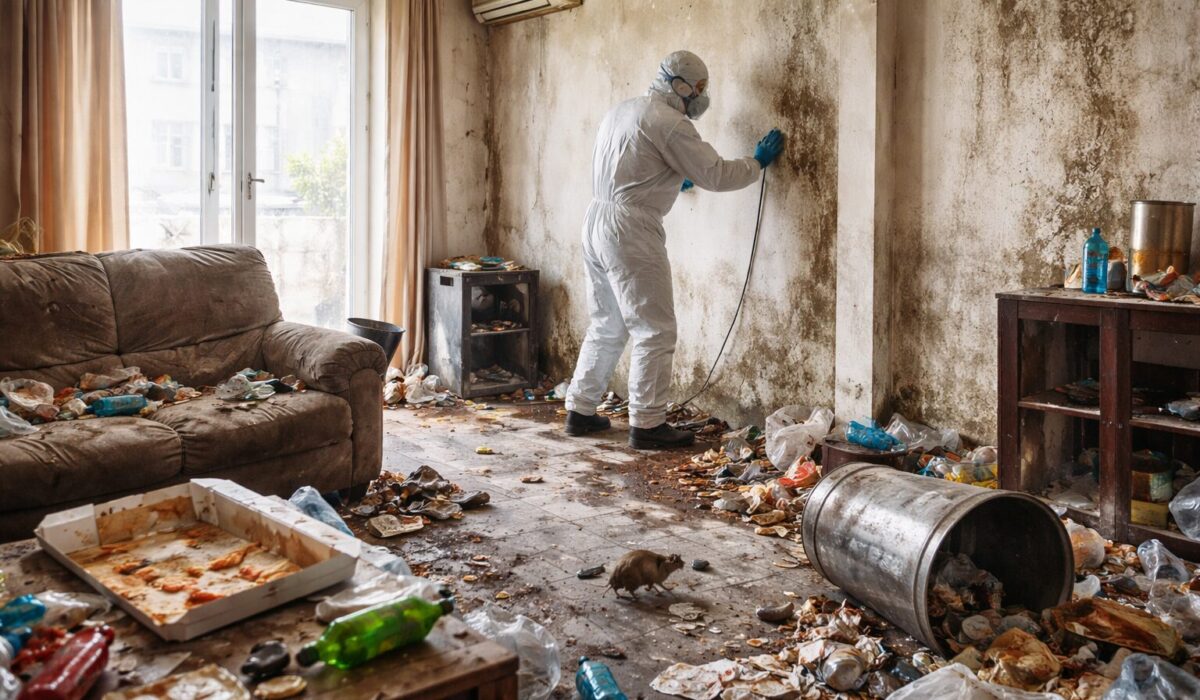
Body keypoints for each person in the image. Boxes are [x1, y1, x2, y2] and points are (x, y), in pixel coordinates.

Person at [563, 50, 786, 449]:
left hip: (597, 218)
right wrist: (756, 163)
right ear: (681, 86)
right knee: (654, 328)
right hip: (631, 229)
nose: (701, 96)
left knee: (607, 322)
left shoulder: (623, 110)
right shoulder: (670, 123)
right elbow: (715, 174)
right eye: (699, 88)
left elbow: (631, 164)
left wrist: (667, 179)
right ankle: (648, 424)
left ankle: (579, 410)